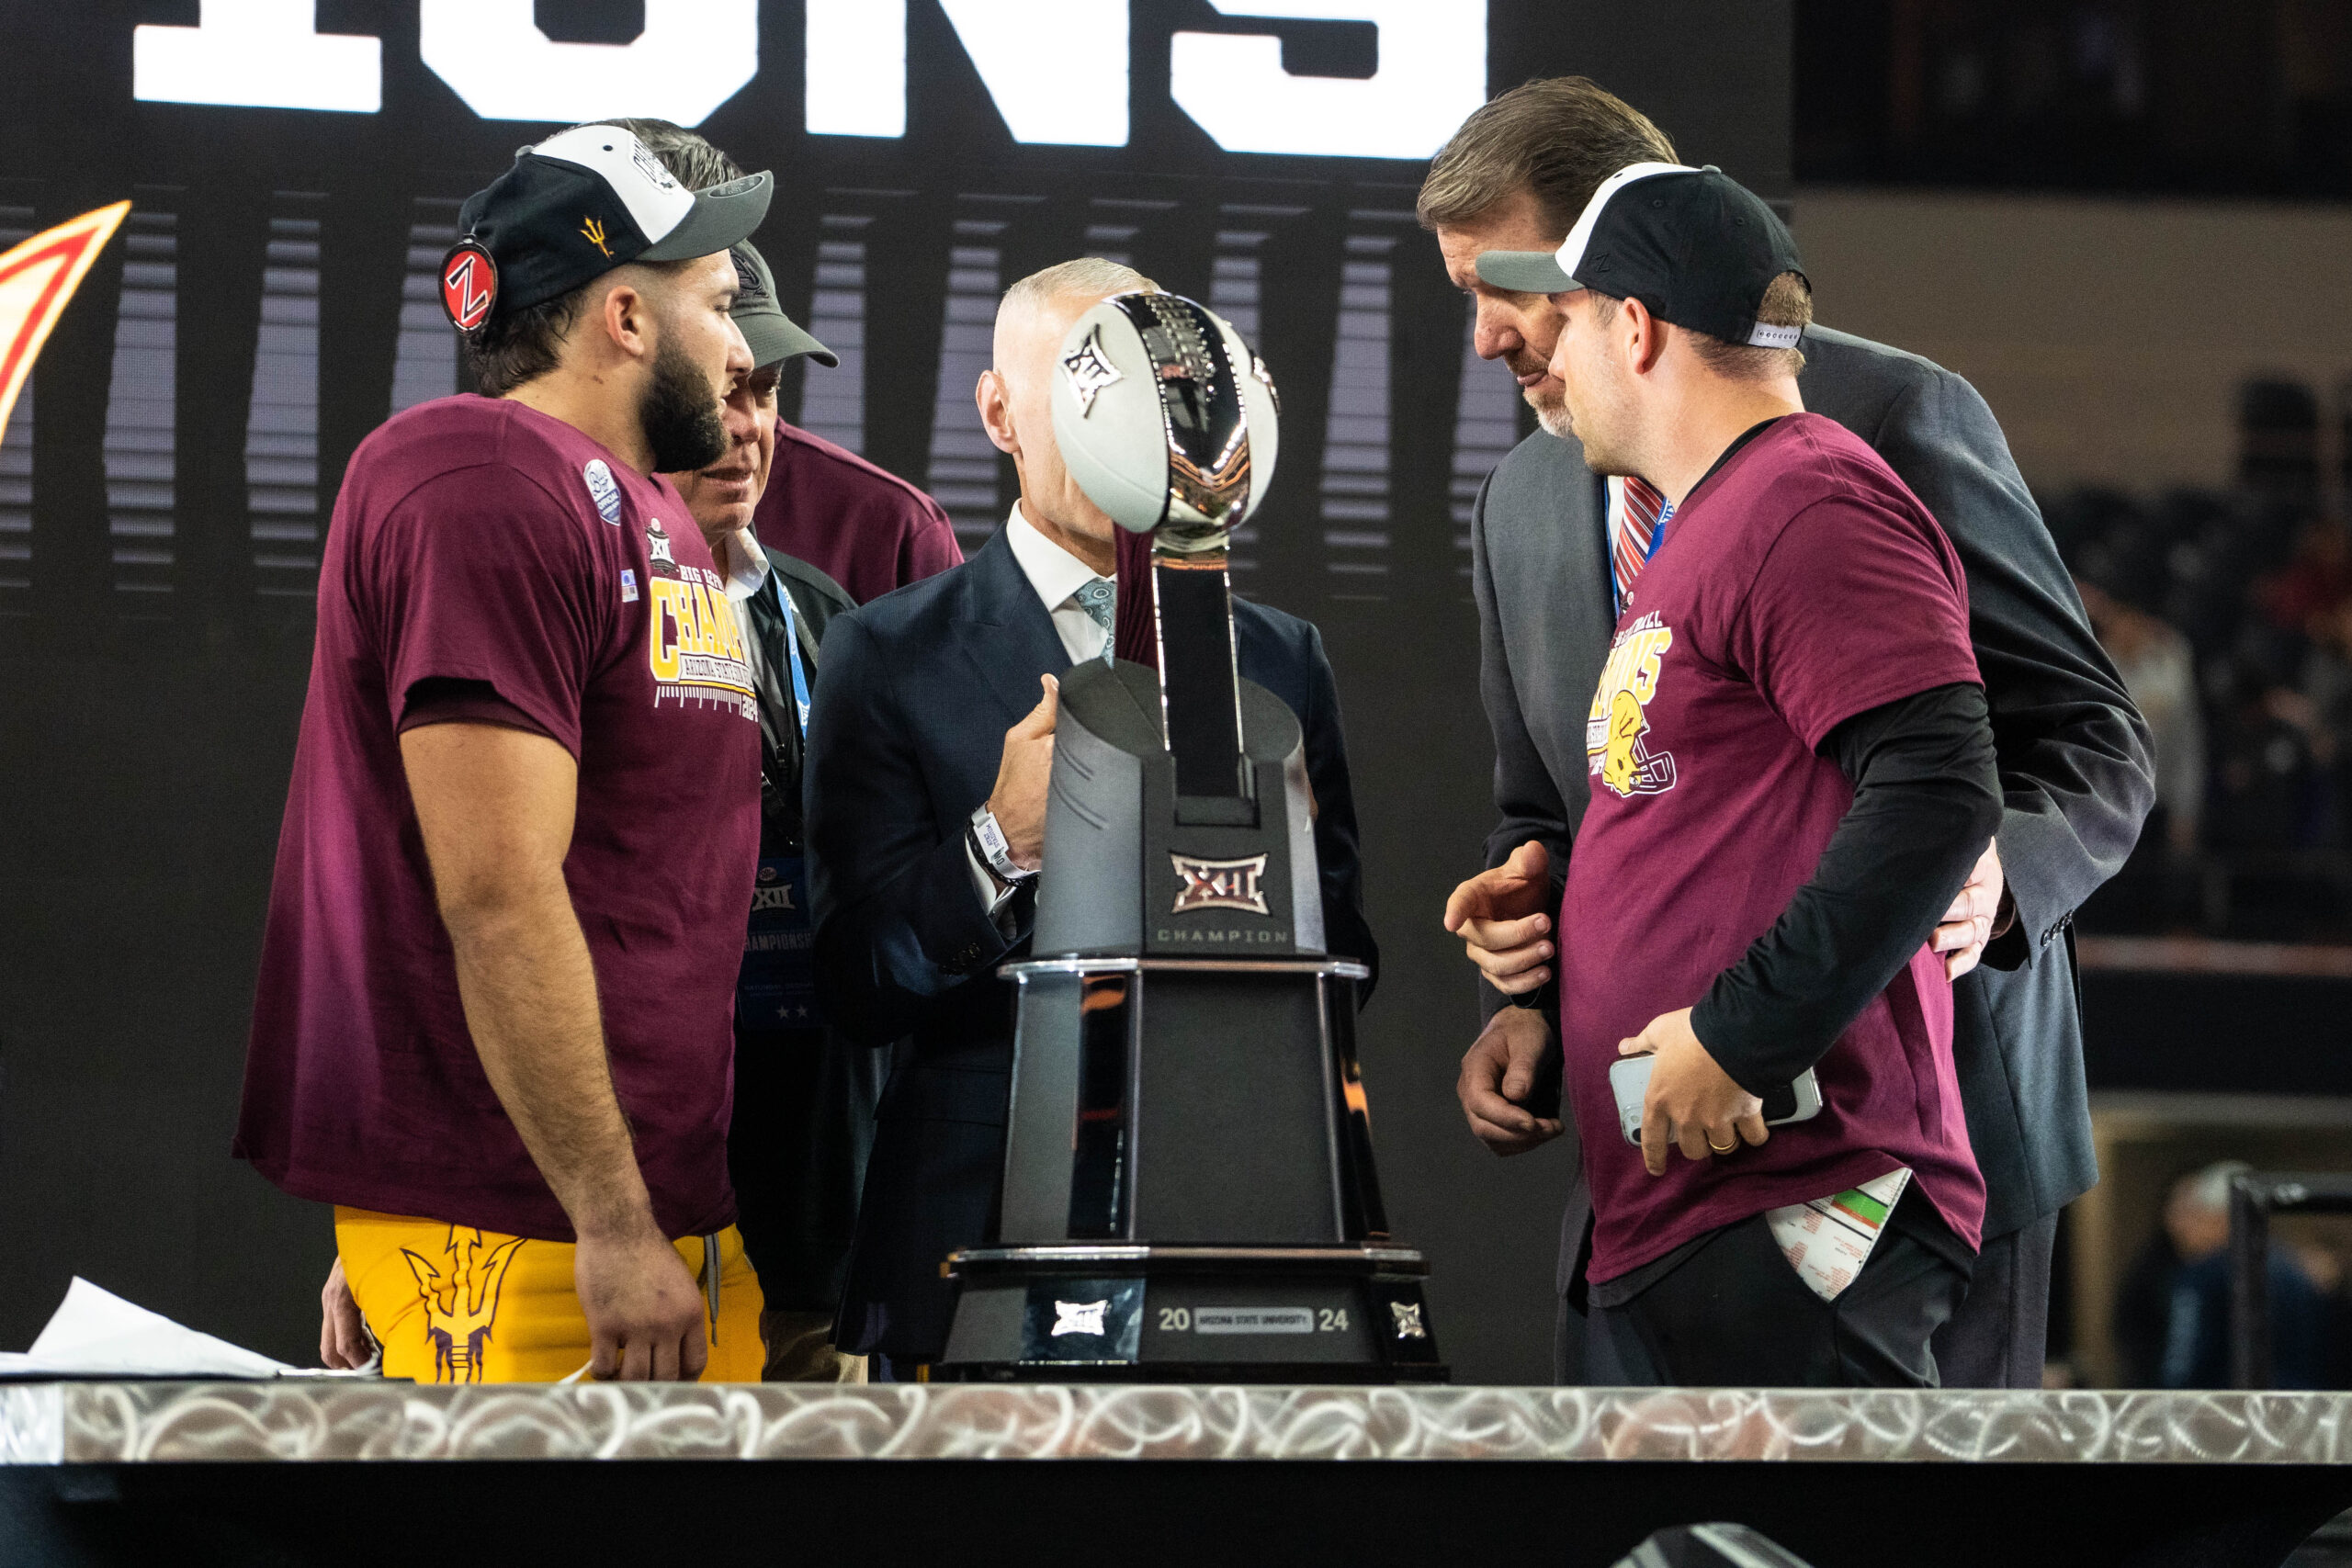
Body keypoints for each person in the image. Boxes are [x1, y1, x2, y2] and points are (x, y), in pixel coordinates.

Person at [1427, 79, 2154, 1387]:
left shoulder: (1872, 424)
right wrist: (1531, 966)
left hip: (1916, 1137)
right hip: (1665, 1157)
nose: (1484, 337)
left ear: (1619, 269)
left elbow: (2078, 742)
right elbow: (1578, 797)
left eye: (1510, 282)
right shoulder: (1528, 498)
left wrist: (1988, 873)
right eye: (1461, 293)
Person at [251, 122, 773, 1383]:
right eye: (715, 300)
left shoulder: (642, 503)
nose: (741, 342)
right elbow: (494, 886)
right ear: (628, 317)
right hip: (552, 1224)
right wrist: (589, 1213)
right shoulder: (478, 476)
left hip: (640, 1203)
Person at [1473, 162, 2002, 1383]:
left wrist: (1744, 1032)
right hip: (1703, 1192)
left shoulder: (1807, 496)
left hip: (1801, 1180)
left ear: (1636, 328)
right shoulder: (1715, 514)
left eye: (1567, 319)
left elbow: (1938, 783)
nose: (1543, 350)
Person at [803, 259, 1378, 1374]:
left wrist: (1264, 880)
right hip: (974, 1233)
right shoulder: (887, 654)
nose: (1114, 420)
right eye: (1080, 387)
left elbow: (1348, 957)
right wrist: (996, 849)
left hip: (1246, 1223)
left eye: (1136, 391)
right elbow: (856, 983)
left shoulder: (1277, 657)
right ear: (1000, 412)